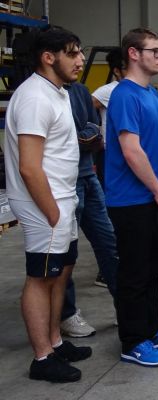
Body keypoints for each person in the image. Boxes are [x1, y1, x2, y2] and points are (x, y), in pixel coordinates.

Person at [5, 26, 91, 383]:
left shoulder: (58, 92)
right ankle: (42, 358)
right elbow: (29, 165)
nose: (80, 60)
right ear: (48, 57)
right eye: (72, 53)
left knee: (62, 272)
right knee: (41, 277)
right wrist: (52, 211)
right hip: (46, 204)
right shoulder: (35, 97)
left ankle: (55, 341)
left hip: (62, 198)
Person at [105, 28, 158, 367]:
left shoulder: (151, 93)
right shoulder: (125, 95)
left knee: (153, 268)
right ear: (134, 54)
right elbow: (131, 149)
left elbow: (157, 141)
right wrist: (157, 191)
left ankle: (151, 330)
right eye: (154, 50)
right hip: (130, 199)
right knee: (135, 272)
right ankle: (133, 341)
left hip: (152, 194)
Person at [58, 81, 120, 338]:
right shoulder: (43, 93)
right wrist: (83, 134)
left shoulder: (80, 91)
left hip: (88, 176)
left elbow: (94, 130)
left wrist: (84, 134)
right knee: (65, 254)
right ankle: (66, 314)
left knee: (109, 243)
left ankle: (127, 305)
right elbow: (66, 136)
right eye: (72, 54)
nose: (80, 59)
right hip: (63, 181)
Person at [91, 49, 125, 190]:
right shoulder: (109, 90)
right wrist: (95, 134)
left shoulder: (144, 90)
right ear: (117, 71)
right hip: (110, 152)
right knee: (110, 192)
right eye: (127, 66)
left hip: (133, 150)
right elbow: (84, 109)